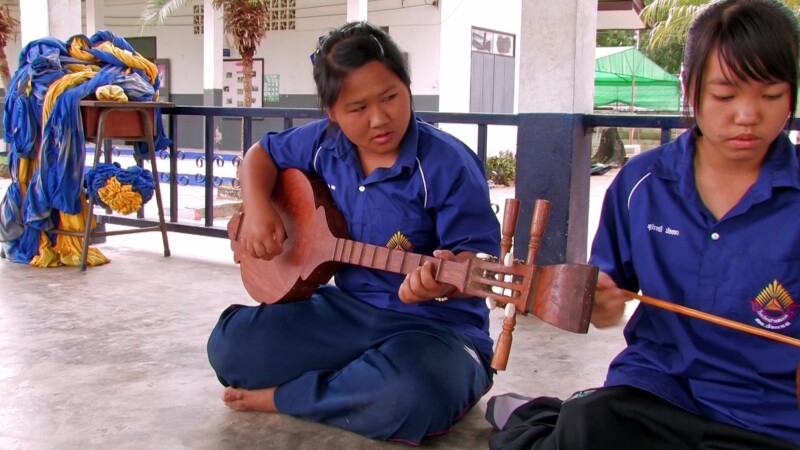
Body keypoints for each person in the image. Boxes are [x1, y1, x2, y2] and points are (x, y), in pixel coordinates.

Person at [486, 0, 800, 449]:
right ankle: (545, 419)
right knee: (588, 428)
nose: (747, 115)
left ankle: (538, 415)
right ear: (691, 90)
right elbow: (607, 285)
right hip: (660, 389)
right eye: (726, 95)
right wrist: (601, 302)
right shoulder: (642, 184)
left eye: (770, 95)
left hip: (768, 415)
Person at [206, 21, 500, 445]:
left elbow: (478, 263)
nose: (380, 119)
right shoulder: (326, 144)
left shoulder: (447, 163)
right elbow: (260, 155)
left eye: (391, 97)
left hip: (437, 328)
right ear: (332, 113)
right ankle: (352, 386)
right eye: (358, 109)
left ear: (408, 87)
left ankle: (289, 396)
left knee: (411, 393)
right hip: (346, 310)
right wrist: (257, 209)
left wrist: (444, 279)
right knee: (231, 347)